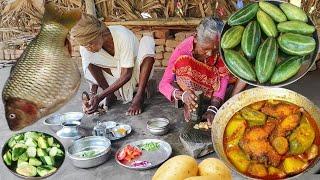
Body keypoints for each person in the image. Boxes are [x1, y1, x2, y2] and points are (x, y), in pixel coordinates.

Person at [159, 17, 246, 124]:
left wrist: (213, 108)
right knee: (183, 62)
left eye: (215, 50)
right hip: (191, 89)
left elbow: (223, 78)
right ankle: (190, 102)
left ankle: (212, 102)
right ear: (195, 38)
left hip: (212, 87)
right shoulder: (182, 50)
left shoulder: (220, 50)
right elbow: (163, 85)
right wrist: (182, 95)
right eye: (205, 49)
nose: (209, 54)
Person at [71, 14, 155, 116]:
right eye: (86, 45)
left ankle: (140, 95)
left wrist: (100, 96)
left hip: (138, 73)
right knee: (86, 56)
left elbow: (127, 74)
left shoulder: (122, 35)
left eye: (90, 44)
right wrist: (93, 95)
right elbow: (90, 66)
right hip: (116, 76)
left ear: (99, 35)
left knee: (147, 41)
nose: (89, 48)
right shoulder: (87, 48)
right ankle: (110, 95)